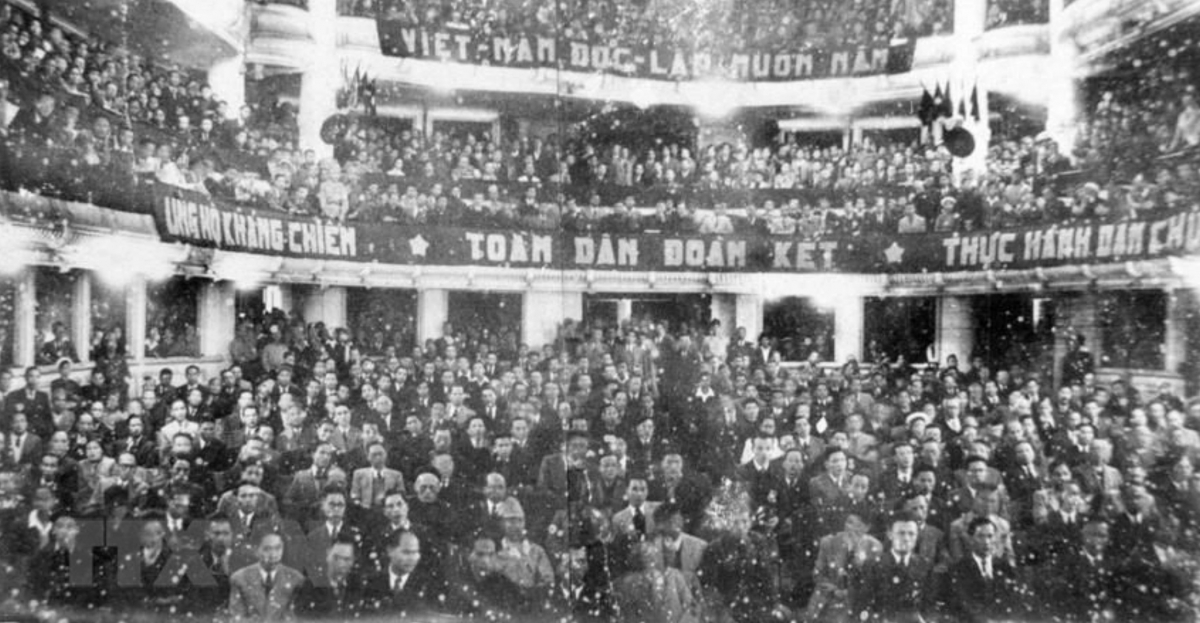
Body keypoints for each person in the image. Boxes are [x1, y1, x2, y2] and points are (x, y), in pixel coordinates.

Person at [850, 511, 935, 622]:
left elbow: (929, 607)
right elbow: (863, 606)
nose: (906, 538)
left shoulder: (924, 565)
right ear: (890, 534)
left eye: (911, 534)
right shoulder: (873, 565)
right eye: (901, 533)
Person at [948, 516, 1024, 623]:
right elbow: (963, 604)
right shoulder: (959, 569)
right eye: (980, 536)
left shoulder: (1005, 567)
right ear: (970, 539)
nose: (986, 542)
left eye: (990, 536)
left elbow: (1014, 600)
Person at [228, 532, 305, 623]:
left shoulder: (296, 579)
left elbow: (297, 618)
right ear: (256, 550)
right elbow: (236, 617)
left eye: (278, 548)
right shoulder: (239, 578)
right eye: (267, 549)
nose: (273, 555)